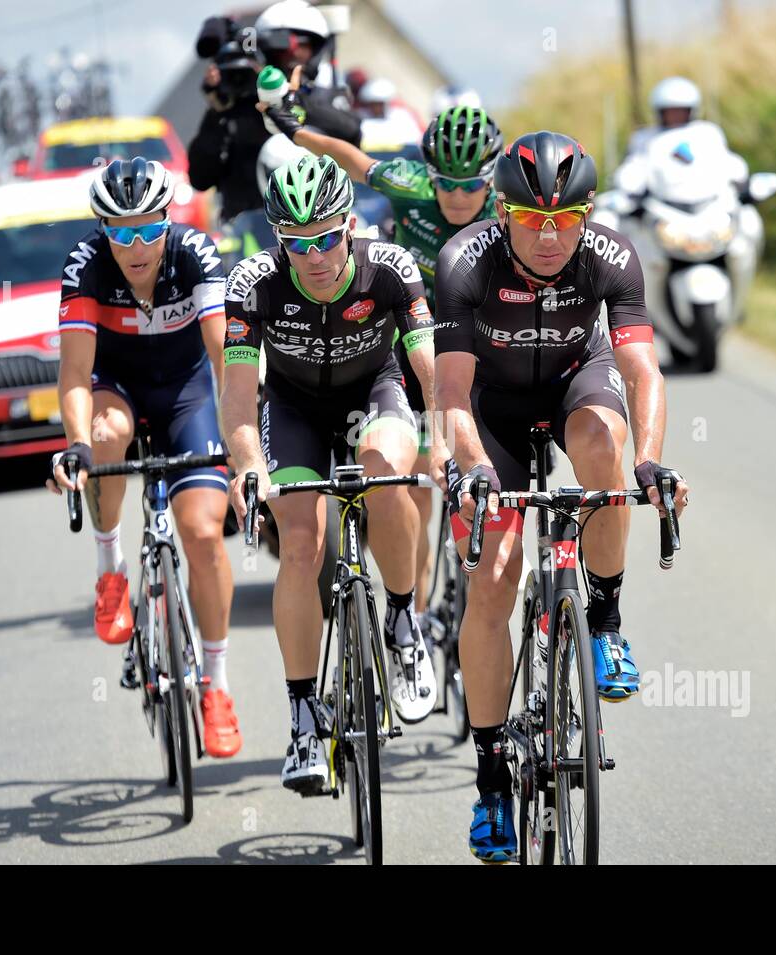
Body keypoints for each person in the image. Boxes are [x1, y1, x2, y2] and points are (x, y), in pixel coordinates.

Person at [434, 131, 689, 861]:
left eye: (566, 219)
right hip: (493, 405)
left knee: (604, 450)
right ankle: (489, 783)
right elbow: (448, 390)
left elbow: (643, 373)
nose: (549, 236)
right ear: (503, 211)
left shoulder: (611, 256)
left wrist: (650, 462)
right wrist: (475, 466)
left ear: (587, 213)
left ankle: (604, 620)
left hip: (580, 382)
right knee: (493, 578)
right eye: (531, 219)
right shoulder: (464, 261)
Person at [221, 155, 445, 791]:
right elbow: (238, 396)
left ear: (349, 226)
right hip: (291, 408)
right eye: (297, 244)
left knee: (387, 477)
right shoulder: (253, 285)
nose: (314, 256)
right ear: (278, 240)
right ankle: (301, 716)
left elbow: (427, 372)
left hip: (373, 393)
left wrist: (450, 444)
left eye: (325, 238)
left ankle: (403, 618)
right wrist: (249, 469)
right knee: (299, 541)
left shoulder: (391, 269)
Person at [263, 98, 501, 651]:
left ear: (491, 181)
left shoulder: (509, 204)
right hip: (413, 336)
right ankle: (411, 610)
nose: (459, 197)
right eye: (447, 183)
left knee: (477, 457)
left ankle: (474, 564)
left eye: (473, 187)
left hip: (478, 345)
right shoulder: (408, 184)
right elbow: (345, 156)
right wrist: (297, 131)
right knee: (410, 477)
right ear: (428, 174)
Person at [48, 157, 243, 759]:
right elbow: (76, 371)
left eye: (147, 228)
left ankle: (217, 686)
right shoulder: (86, 265)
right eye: (120, 231)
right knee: (107, 435)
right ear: (103, 229)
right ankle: (111, 565)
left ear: (167, 220)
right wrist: (76, 447)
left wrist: (242, 450)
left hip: (187, 395)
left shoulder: (196, 255)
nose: (135, 245)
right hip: (118, 387)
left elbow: (223, 358)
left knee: (203, 533)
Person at [187, 0, 360, 223]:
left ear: (316, 50)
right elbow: (200, 178)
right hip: (251, 238)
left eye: (301, 47)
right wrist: (217, 110)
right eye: (281, 52)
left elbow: (353, 134)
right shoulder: (239, 106)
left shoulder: (322, 97)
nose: (292, 57)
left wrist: (292, 102)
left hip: (315, 235)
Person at [615, 76, 748, 195]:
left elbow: (725, 161)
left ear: (691, 110)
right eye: (670, 111)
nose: (675, 115)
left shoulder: (707, 133)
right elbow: (634, 168)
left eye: (680, 110)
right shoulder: (645, 138)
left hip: (708, 203)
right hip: (660, 206)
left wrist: (740, 178)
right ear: (660, 112)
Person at [354, 78, 425, 146]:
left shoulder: (401, 117)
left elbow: (414, 139)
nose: (376, 107)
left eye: (380, 103)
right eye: (373, 103)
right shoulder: (360, 117)